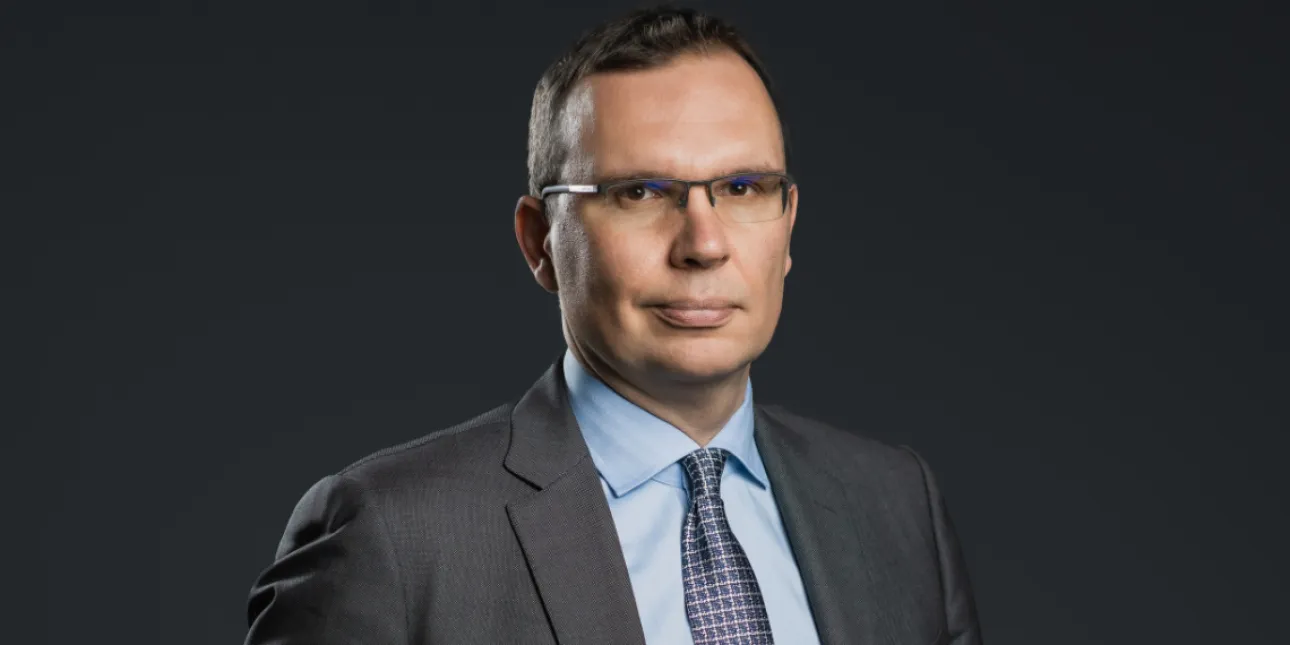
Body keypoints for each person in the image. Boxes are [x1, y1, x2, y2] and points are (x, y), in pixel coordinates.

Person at [244, 6, 982, 645]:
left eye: (742, 187)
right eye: (641, 192)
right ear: (540, 242)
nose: (703, 244)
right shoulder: (392, 538)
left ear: (788, 225)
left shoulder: (897, 505)